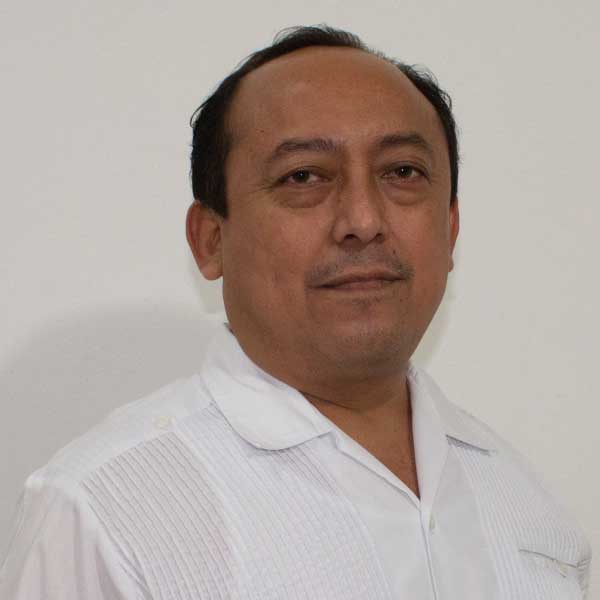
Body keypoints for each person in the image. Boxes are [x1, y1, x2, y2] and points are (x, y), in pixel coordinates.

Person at [0, 25, 591, 599]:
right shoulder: (105, 514)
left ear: (451, 227)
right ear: (210, 240)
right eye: (303, 176)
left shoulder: (524, 502)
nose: (364, 220)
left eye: (402, 172)